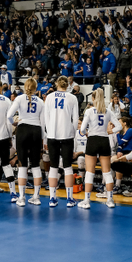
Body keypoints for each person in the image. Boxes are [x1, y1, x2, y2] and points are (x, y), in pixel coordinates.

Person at [78, 88, 122, 209]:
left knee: (90, 172)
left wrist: (86, 132)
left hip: (92, 140)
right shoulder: (107, 111)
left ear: (93, 99)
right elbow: (119, 126)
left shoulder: (90, 111)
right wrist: (109, 131)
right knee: (107, 172)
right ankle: (110, 199)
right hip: (104, 141)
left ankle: (86, 200)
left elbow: (81, 129)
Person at [7, 77, 45, 207]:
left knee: (22, 164)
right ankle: (36, 196)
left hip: (22, 130)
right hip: (36, 131)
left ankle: (22, 197)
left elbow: (8, 116)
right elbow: (43, 123)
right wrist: (43, 139)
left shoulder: (19, 99)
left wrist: (15, 123)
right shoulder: (40, 101)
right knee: (35, 165)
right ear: (36, 88)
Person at [44, 76, 79, 208]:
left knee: (53, 166)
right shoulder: (72, 98)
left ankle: (52, 198)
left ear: (57, 84)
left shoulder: (50, 97)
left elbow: (46, 117)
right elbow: (75, 119)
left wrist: (48, 132)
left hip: (52, 134)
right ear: (67, 85)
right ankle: (70, 198)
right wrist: (73, 133)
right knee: (67, 166)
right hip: (67, 135)